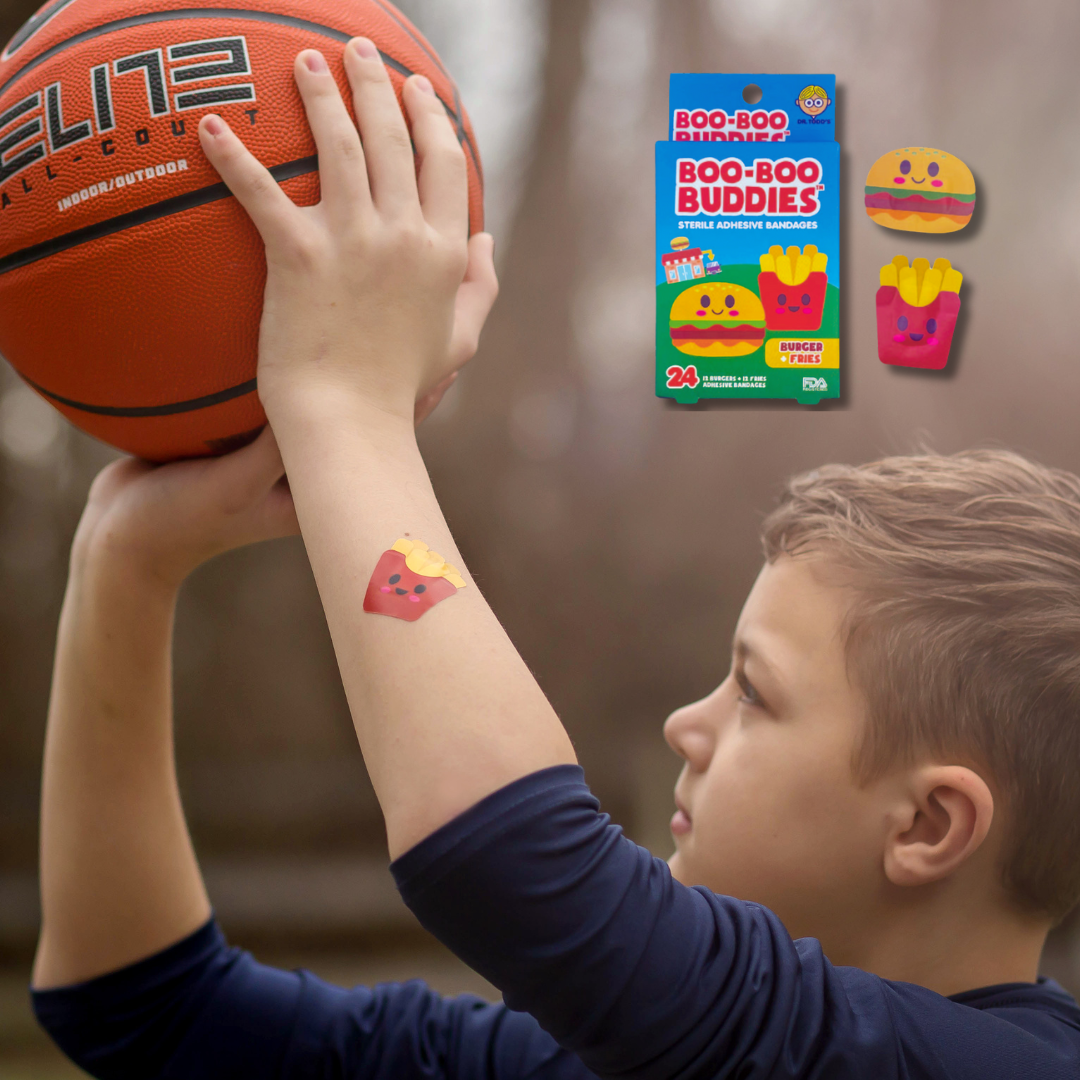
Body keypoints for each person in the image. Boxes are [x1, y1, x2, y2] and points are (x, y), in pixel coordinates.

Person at [31, 38, 1080, 1080]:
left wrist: (345, 401)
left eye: (756, 691)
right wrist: (126, 565)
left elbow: (516, 868)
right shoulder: (601, 1056)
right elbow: (143, 1009)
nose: (688, 723)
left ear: (931, 823)